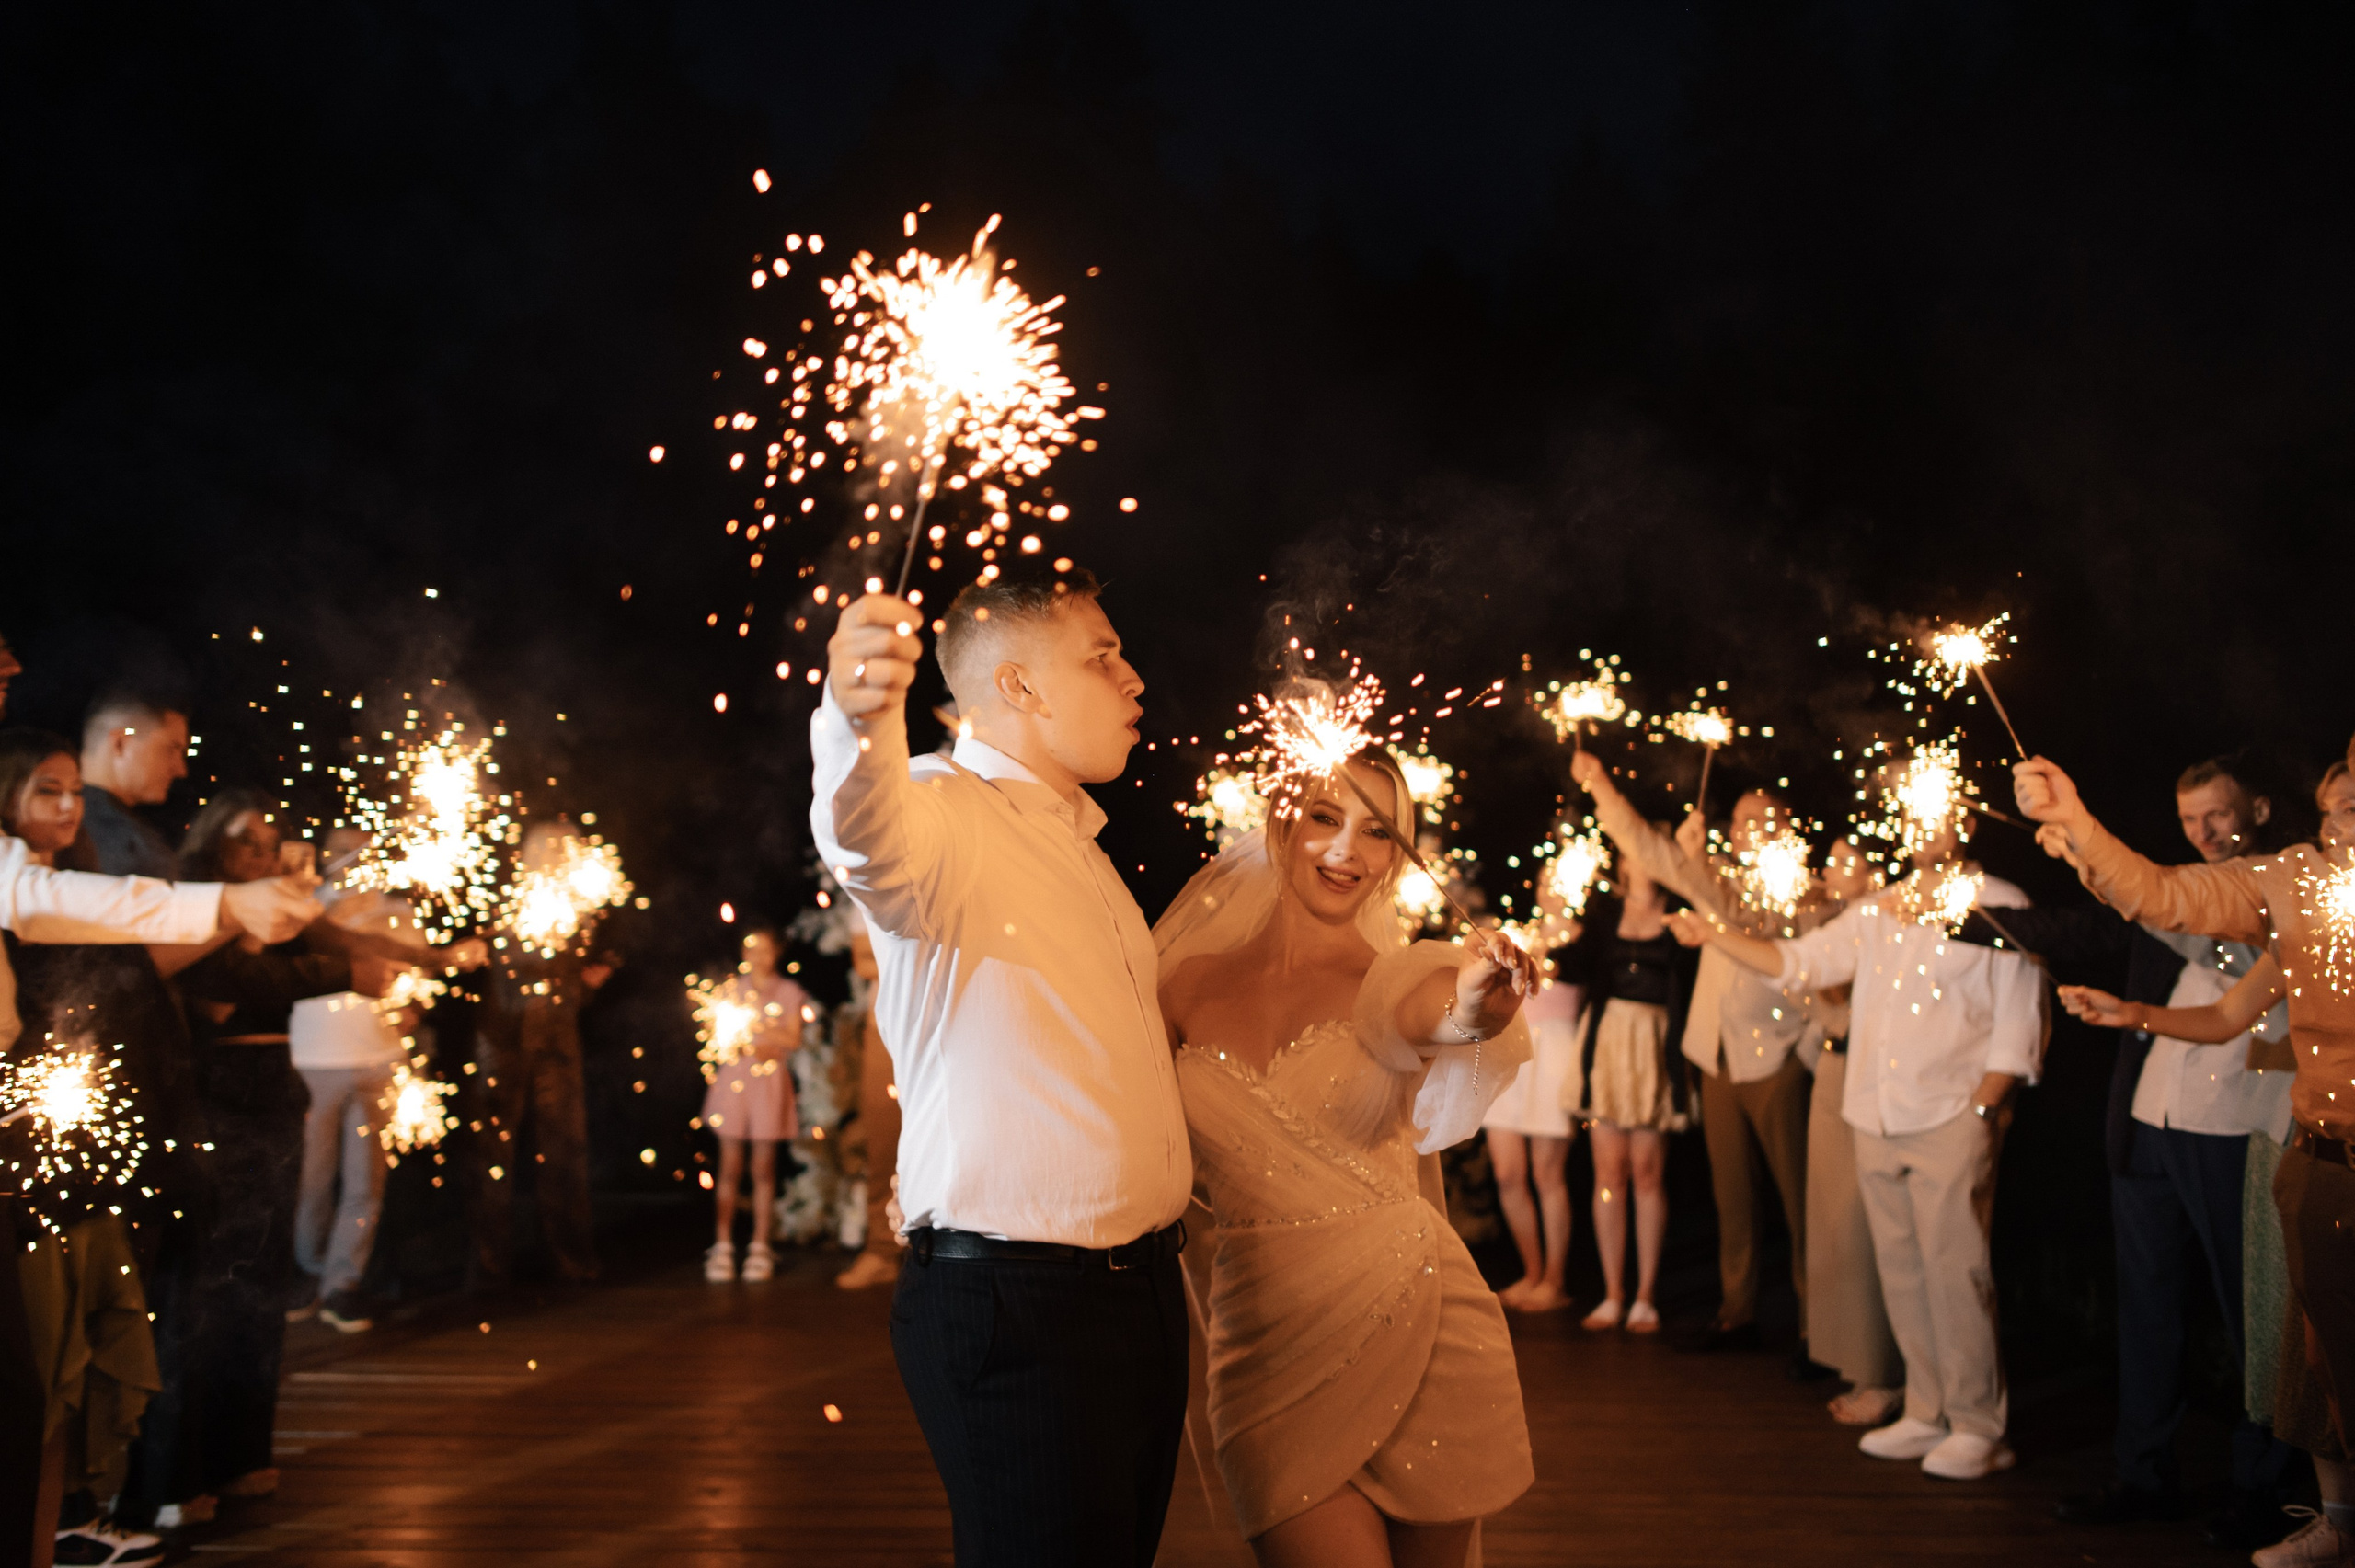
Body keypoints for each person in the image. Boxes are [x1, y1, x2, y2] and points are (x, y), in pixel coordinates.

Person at [810, 566, 1191, 1566]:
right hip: (1024, 1307)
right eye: (1101, 657)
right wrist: (855, 718)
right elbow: (867, 837)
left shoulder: (1085, 851)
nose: (1134, 677)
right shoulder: (945, 809)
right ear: (1017, 687)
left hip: (1140, 1294)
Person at [1155, 749, 1537, 1565]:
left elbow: (1441, 1014)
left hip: (1421, 1315)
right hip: (1264, 1338)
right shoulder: (1180, 984)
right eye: (1327, 818)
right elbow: (1114, 1125)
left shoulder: (1390, 978)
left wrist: (1475, 1003)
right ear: (1279, 820)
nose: (1347, 852)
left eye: (1378, 833)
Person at [2016, 751, 2355, 1558]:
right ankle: (2337, 1526)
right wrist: (2078, 823)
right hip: (2318, 1152)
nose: (2347, 826)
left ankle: (2281, 1496)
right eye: (2340, 811)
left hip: (2252, 1128)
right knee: (2313, 1348)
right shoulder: (2302, 885)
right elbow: (2168, 898)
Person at [1670, 805, 2047, 1481]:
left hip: (1950, 1117)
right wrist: (1715, 932)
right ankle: (1927, 1408)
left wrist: (1983, 1108)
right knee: (1902, 1269)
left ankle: (1979, 1424)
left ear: (1961, 824)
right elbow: (1798, 961)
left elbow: (2021, 1021)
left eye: (1937, 814)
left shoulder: (2000, 904)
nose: (1922, 827)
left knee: (1956, 1271)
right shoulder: (1882, 908)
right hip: (1873, 1112)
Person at [1572, 752, 1818, 1358]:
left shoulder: (1801, 892)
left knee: (1801, 1202)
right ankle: (1738, 1311)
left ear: (1785, 829)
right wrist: (1601, 785)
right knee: (1732, 1199)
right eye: (1735, 820)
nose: (1740, 829)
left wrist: (1698, 864)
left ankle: (1820, 1326)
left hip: (1778, 1059)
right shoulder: (1719, 877)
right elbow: (1654, 856)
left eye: (1756, 819)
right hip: (1716, 1056)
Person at [470, 822, 608, 1288]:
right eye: (546, 848)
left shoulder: (580, 908)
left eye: (561, 848)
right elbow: (499, 966)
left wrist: (588, 983)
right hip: (503, 1038)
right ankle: (488, 1267)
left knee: (564, 1150)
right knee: (494, 1152)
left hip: (557, 1039)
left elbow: (584, 968)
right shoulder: (507, 903)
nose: (554, 855)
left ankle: (571, 1260)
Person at [1560, 855, 1694, 1333]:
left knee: (1647, 1173)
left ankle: (1645, 1295)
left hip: (1655, 1045)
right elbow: (1572, 967)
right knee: (1608, 1172)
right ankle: (1613, 1292)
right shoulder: (1603, 912)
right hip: (1609, 1041)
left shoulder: (1682, 913)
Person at [1805, 838, 1905, 1427]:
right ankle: (1847, 1356)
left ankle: (1883, 1375)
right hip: (1829, 1070)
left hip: (1863, 1075)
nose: (1830, 871)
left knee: (1863, 1225)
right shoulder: (1834, 923)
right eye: (1831, 860)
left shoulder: (1887, 924)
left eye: (1847, 862)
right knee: (1833, 1224)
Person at [1479, 880, 1581, 1314]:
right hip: (1511, 1050)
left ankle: (1555, 1280)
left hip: (1556, 1052)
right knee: (1507, 1173)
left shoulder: (1579, 941)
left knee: (1547, 1173)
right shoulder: (1520, 933)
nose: (1549, 889)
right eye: (1544, 882)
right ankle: (1532, 1271)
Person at [699, 927, 811, 1284]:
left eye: (765, 949)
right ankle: (723, 1246)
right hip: (735, 1082)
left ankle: (760, 1245)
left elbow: (793, 1038)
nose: (758, 957)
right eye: (751, 949)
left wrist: (759, 1026)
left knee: (763, 1168)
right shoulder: (732, 991)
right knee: (729, 1166)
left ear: (775, 953)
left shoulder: (789, 992)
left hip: (769, 1084)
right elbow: (717, 1037)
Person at [834, 921, 903, 1289]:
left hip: (946, 1024)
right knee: (882, 1143)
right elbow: (864, 962)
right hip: (884, 1032)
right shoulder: (869, 878)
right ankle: (881, 1251)